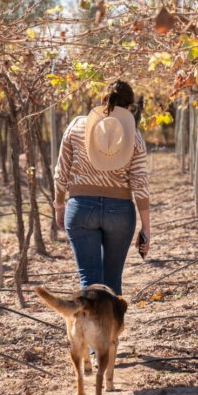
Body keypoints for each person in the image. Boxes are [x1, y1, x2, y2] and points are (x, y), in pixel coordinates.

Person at [53, 79, 150, 295]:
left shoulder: (77, 126)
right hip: (120, 212)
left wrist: (60, 205)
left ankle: (90, 327)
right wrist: (146, 228)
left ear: (102, 99)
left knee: (89, 281)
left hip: (80, 208)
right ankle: (110, 328)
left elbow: (61, 172)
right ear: (130, 106)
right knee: (113, 281)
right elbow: (140, 182)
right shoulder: (133, 135)